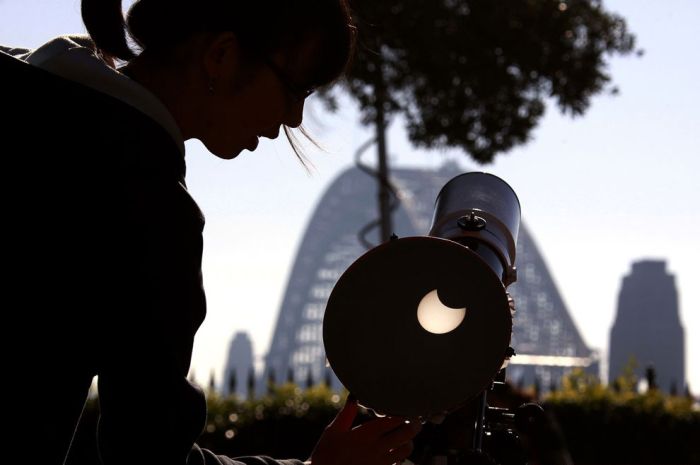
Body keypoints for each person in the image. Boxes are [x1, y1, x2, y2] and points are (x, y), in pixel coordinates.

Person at [1, 1, 421, 464]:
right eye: (295, 88)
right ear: (221, 54)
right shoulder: (151, 212)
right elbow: (147, 454)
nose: (295, 118)